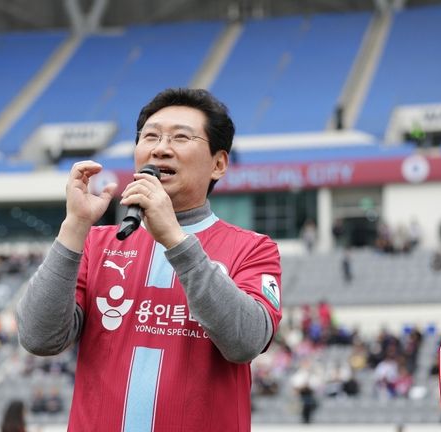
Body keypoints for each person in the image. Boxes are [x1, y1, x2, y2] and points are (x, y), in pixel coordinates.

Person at [17, 88, 282, 431]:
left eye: (181, 137)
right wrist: (75, 226)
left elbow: (246, 342)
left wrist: (174, 238)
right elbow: (38, 338)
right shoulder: (95, 243)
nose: (160, 148)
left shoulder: (253, 249)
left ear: (218, 164)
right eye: (151, 136)